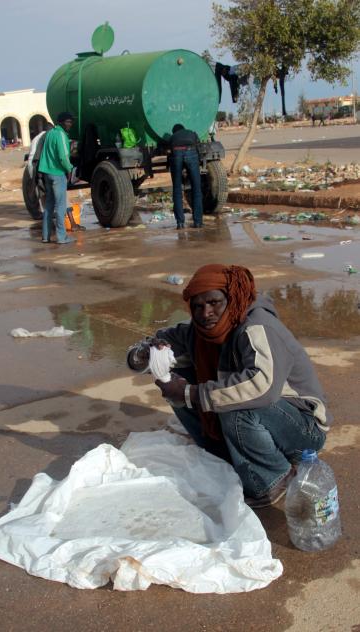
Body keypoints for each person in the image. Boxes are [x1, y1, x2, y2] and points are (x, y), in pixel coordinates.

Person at [127, 264, 330, 508]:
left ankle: (272, 479)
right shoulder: (198, 331)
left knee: (236, 402)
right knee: (174, 373)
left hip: (302, 430)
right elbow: (158, 346)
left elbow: (261, 388)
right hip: (264, 423)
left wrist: (190, 393)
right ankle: (221, 451)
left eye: (214, 302)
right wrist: (144, 355)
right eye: (198, 306)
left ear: (231, 299)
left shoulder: (257, 327)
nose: (206, 313)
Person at [38, 112, 75, 244]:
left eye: (71, 122)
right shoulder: (61, 135)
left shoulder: (50, 134)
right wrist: (69, 169)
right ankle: (61, 237)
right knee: (60, 206)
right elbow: (63, 156)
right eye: (68, 122)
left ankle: (45, 236)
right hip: (58, 174)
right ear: (60, 122)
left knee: (48, 205)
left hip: (46, 173)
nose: (70, 125)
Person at [168, 124, 203, 229]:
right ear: (184, 128)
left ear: (175, 132)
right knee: (196, 188)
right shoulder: (192, 133)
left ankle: (180, 223)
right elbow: (198, 144)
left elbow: (169, 150)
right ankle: (197, 222)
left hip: (177, 153)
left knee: (177, 189)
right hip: (191, 151)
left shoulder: (173, 137)